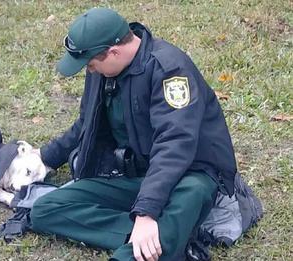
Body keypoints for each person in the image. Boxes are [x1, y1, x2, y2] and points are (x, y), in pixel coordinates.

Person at [29, 7, 237, 261]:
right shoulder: (103, 69)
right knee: (45, 209)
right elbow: (86, 123)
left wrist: (146, 212)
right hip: (139, 175)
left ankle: (144, 245)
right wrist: (46, 157)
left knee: (191, 193)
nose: (90, 70)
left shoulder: (169, 70)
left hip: (190, 175)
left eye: (92, 64)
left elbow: (175, 145)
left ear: (113, 52)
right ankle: (156, 238)